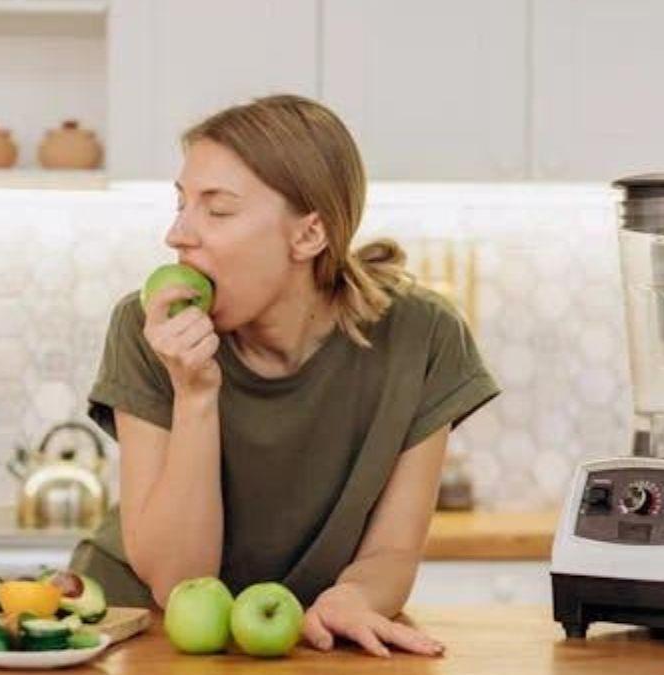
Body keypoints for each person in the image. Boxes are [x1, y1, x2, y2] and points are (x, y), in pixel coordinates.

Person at [69, 94, 499, 657]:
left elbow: (392, 551)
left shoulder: (421, 337)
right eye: (181, 204)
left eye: (216, 210)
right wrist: (194, 394)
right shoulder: (146, 327)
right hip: (139, 629)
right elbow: (177, 581)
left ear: (308, 235)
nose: (178, 234)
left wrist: (356, 599)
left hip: (304, 640)